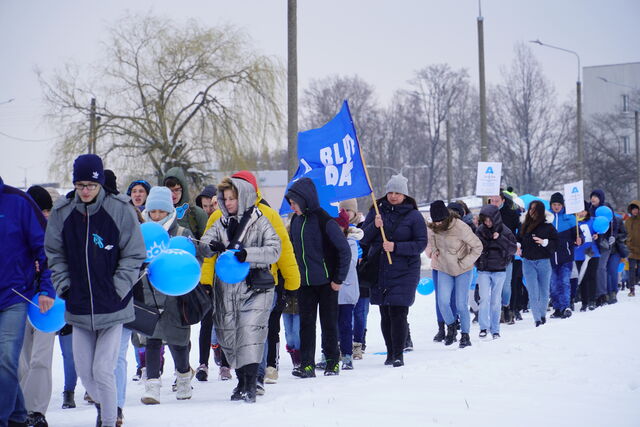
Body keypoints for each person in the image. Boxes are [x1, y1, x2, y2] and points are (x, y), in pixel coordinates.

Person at [45, 154, 146, 427]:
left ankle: (110, 420)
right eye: (80, 185)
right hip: (79, 306)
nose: (85, 190)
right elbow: (54, 253)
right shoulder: (63, 212)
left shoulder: (119, 209)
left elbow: (135, 253)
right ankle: (107, 407)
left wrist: (119, 287)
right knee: (87, 376)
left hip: (112, 305)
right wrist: (64, 285)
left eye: (90, 184)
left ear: (100, 182)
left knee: (103, 370)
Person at [200, 170, 300, 389]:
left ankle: (258, 377)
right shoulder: (219, 217)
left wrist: (292, 283)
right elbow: (208, 256)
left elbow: (283, 250)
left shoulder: (268, 215)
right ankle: (243, 379)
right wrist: (206, 281)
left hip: (260, 284)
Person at [139, 187, 202, 404]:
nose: (156, 216)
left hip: (177, 294)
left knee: (178, 341)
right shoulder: (142, 233)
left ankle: (183, 375)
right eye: (152, 211)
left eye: (161, 212)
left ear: (170, 212)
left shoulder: (182, 234)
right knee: (152, 339)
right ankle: (153, 385)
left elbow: (195, 260)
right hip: (150, 294)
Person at [0, 177, 53, 427]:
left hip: (14, 295)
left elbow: (45, 249)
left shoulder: (19, 202)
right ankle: (18, 416)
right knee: (6, 363)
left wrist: (46, 288)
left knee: (6, 359)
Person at [285, 177, 351, 377]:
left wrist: (338, 279)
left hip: (327, 283)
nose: (292, 207)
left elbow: (344, 251)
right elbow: (292, 249)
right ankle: (307, 365)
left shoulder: (324, 220)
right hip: (304, 282)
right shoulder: (295, 220)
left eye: (294, 203)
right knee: (306, 324)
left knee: (329, 323)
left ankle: (332, 362)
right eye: (290, 203)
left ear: (305, 199)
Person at [361, 174, 427, 365]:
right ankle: (390, 352)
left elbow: (420, 244)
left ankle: (398, 354)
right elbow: (363, 238)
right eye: (391, 192)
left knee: (398, 311)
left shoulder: (414, 216)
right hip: (381, 269)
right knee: (385, 312)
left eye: (398, 193)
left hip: (405, 271)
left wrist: (396, 247)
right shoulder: (377, 211)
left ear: (405, 195)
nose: (393, 196)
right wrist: (374, 226)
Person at [17, 186, 59, 427]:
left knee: (41, 358)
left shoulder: (57, 235)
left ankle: (37, 411)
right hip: (20, 301)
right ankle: (22, 408)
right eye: (38, 210)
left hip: (49, 303)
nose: (43, 214)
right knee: (22, 359)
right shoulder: (18, 232)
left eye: (46, 210)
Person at [427, 200, 481, 348]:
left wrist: (465, 262)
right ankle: (451, 327)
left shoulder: (460, 227)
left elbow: (477, 246)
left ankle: (465, 335)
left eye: (440, 221)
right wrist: (435, 251)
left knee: (461, 304)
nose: (437, 224)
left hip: (463, 269)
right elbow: (432, 241)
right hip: (444, 268)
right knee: (442, 302)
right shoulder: (434, 227)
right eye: (435, 221)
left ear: (446, 217)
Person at [474, 204, 517, 339]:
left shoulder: (505, 231)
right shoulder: (480, 230)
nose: (487, 223)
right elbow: (475, 248)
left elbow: (513, 249)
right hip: (484, 270)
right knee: (484, 299)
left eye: (490, 220)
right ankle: (483, 327)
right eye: (485, 220)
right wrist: (478, 263)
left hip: (499, 270)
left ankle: (495, 329)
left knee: (495, 300)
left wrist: (499, 238)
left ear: (496, 218)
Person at [518, 200, 558, 327]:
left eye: (535, 209)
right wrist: (518, 246)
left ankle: (542, 314)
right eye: (530, 209)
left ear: (540, 211)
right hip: (528, 262)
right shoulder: (524, 225)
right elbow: (518, 239)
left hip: (544, 262)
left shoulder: (548, 226)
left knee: (544, 291)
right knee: (533, 291)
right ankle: (537, 319)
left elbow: (556, 243)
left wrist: (544, 242)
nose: (532, 212)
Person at [488, 191, 522, 324]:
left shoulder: (512, 213)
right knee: (495, 285)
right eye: (492, 200)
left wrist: (516, 243)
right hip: (491, 254)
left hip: (507, 253)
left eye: (497, 200)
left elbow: (519, 230)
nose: (494, 203)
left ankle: (506, 306)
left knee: (507, 284)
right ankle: (498, 310)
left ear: (502, 201)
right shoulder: (486, 214)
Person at [335, 209, 362, 370]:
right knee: (330, 325)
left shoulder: (350, 242)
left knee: (345, 325)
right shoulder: (328, 242)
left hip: (346, 291)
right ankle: (329, 353)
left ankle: (346, 355)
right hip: (331, 291)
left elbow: (350, 264)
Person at [548, 192, 579, 319]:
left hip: (566, 256)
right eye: (554, 204)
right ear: (551, 205)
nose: (556, 206)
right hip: (550, 258)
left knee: (564, 282)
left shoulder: (570, 218)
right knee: (553, 285)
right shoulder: (546, 218)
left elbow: (578, 236)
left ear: (563, 205)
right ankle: (557, 308)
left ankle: (565, 306)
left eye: (559, 204)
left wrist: (579, 239)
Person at [163, 167, 208, 239]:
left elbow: (205, 244)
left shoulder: (197, 214)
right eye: (169, 190)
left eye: (177, 190)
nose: (173, 194)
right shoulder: (158, 213)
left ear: (183, 189)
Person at [588, 189, 615, 306]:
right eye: (592, 196)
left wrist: (613, 236)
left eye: (596, 197)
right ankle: (591, 294)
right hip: (592, 244)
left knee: (601, 268)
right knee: (591, 268)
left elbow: (614, 224)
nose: (593, 199)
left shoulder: (606, 209)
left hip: (604, 244)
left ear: (601, 198)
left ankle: (602, 295)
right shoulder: (588, 210)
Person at [575, 204, 600, 311]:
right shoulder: (573, 223)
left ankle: (592, 301)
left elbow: (601, 231)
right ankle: (584, 302)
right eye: (579, 211)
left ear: (587, 212)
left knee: (591, 276)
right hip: (579, 254)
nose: (582, 213)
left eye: (584, 211)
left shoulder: (593, 221)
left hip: (592, 253)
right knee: (582, 278)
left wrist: (598, 235)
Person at [625, 200, 640, 296]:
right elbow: (625, 233)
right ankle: (632, 289)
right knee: (631, 270)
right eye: (633, 209)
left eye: (636, 209)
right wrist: (626, 244)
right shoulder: (627, 221)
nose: (634, 211)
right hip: (631, 249)